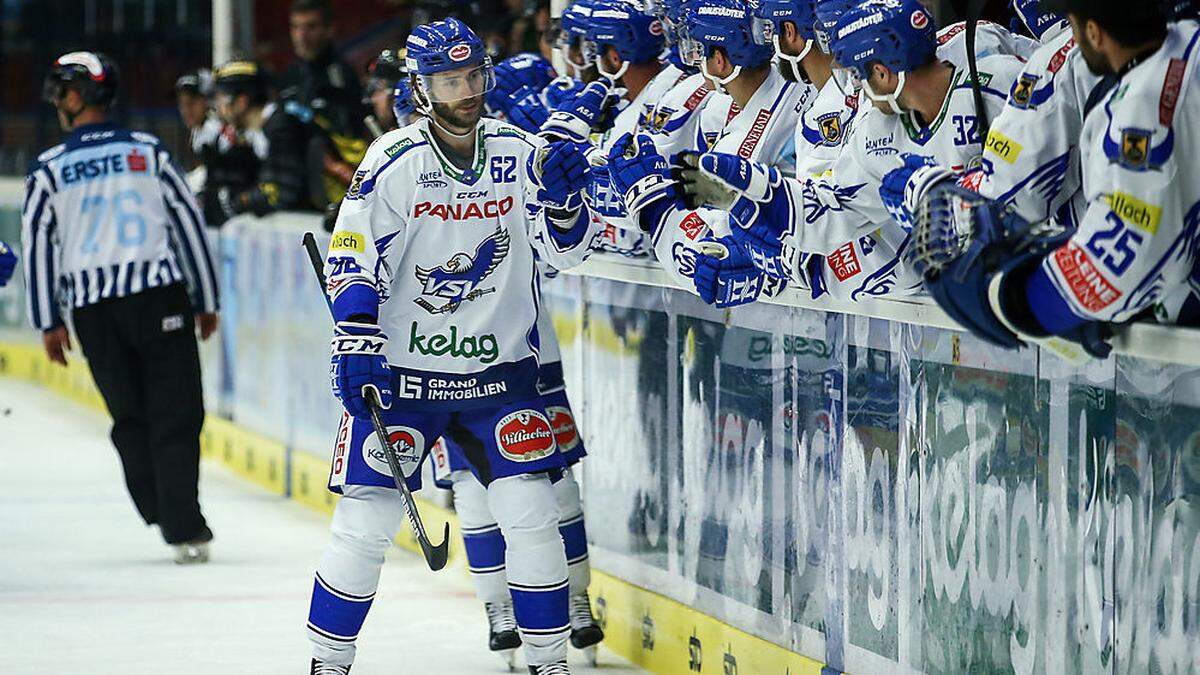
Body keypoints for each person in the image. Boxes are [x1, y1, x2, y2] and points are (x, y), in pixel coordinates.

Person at [305, 17, 599, 675]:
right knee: (366, 519)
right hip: (408, 376)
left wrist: (563, 203)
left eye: (472, 76)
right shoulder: (395, 160)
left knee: (531, 516)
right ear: (421, 87)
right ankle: (328, 662)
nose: (465, 90)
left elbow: (567, 254)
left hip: (500, 375)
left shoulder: (521, 152)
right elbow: (351, 251)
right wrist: (356, 337)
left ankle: (549, 661)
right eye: (449, 80)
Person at [885, 0, 1200, 356]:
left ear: (1094, 32)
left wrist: (1005, 296)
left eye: (1074, 21)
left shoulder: (1145, 107)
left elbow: (1119, 266)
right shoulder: (1186, 44)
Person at [25, 51, 220, 563]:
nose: (57, 101)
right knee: (177, 412)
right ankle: (181, 523)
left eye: (62, 90)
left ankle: (160, 508)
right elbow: (188, 225)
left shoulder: (48, 169)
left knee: (129, 416)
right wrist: (207, 298)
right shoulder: (148, 152)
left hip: (94, 313)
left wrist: (48, 320)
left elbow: (38, 243)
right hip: (159, 298)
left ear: (78, 95)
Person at [208, 60, 324, 224]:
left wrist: (237, 202)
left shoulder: (283, 127)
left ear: (241, 102)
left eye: (221, 100)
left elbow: (281, 192)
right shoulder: (260, 133)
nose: (218, 109)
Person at [279, 0, 365, 141]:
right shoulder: (288, 75)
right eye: (295, 27)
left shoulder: (340, 76)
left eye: (311, 27)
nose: (302, 36)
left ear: (329, 29)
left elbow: (349, 134)